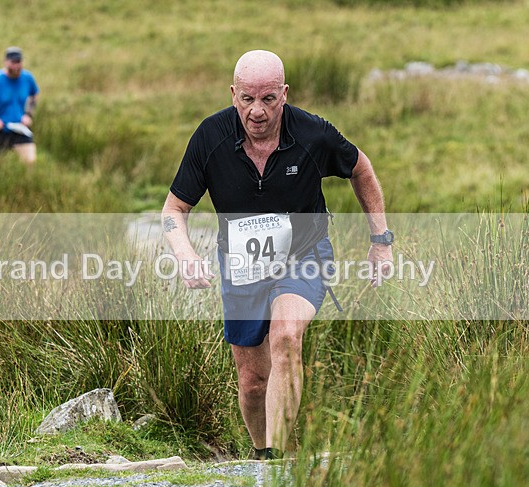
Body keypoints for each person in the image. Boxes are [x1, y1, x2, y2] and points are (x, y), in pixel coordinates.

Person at [161, 50, 394, 460]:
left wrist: (381, 241)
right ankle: (261, 453)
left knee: (286, 337)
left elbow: (362, 169)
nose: (257, 111)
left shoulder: (313, 134)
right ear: (233, 94)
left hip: (304, 254)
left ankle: (276, 460)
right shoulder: (210, 137)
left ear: (284, 94)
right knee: (252, 380)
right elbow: (174, 210)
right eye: (247, 98)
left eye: (268, 99)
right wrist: (184, 254)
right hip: (242, 264)